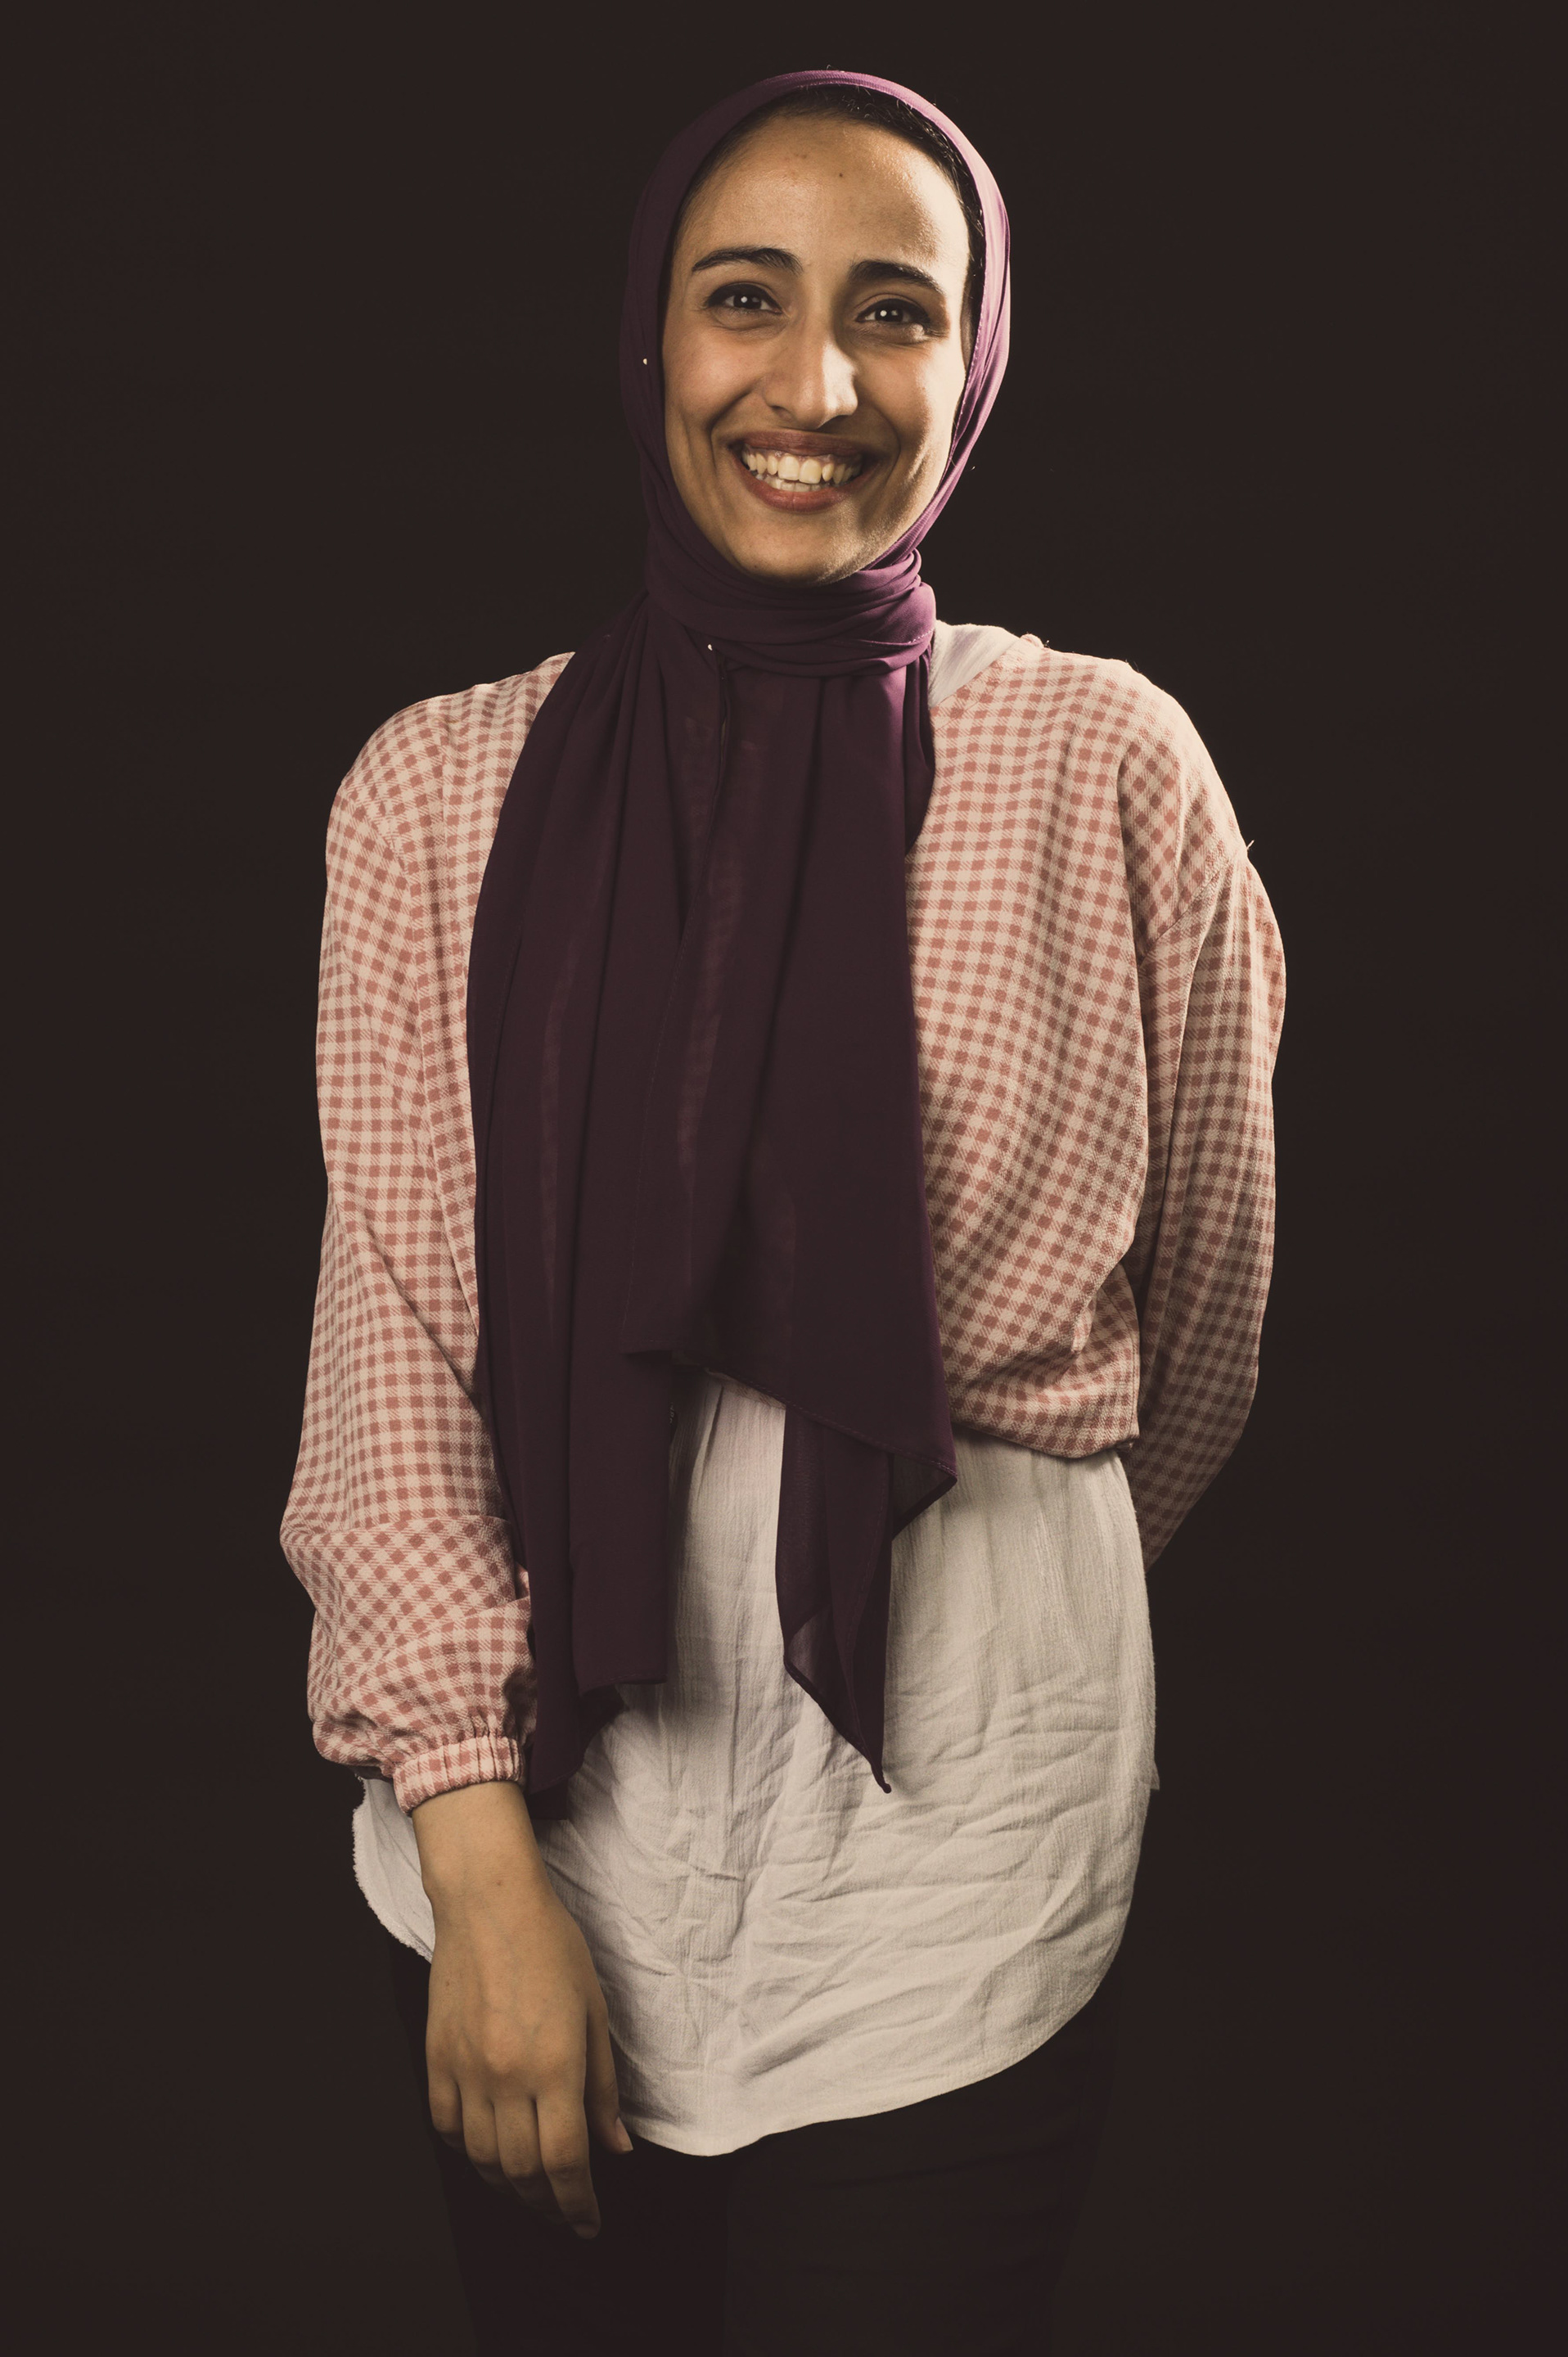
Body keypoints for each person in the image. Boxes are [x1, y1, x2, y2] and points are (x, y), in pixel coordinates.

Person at [281, 67, 1285, 2357]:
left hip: (963, 1839)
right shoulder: (435, 795)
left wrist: (997, 1590)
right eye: (746, 299)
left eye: (893, 313)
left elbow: (1207, 1331)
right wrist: (480, 1868)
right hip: (537, 1831)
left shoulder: (1105, 767)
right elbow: (389, 1369)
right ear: (651, 334)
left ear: (976, 362)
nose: (814, 387)